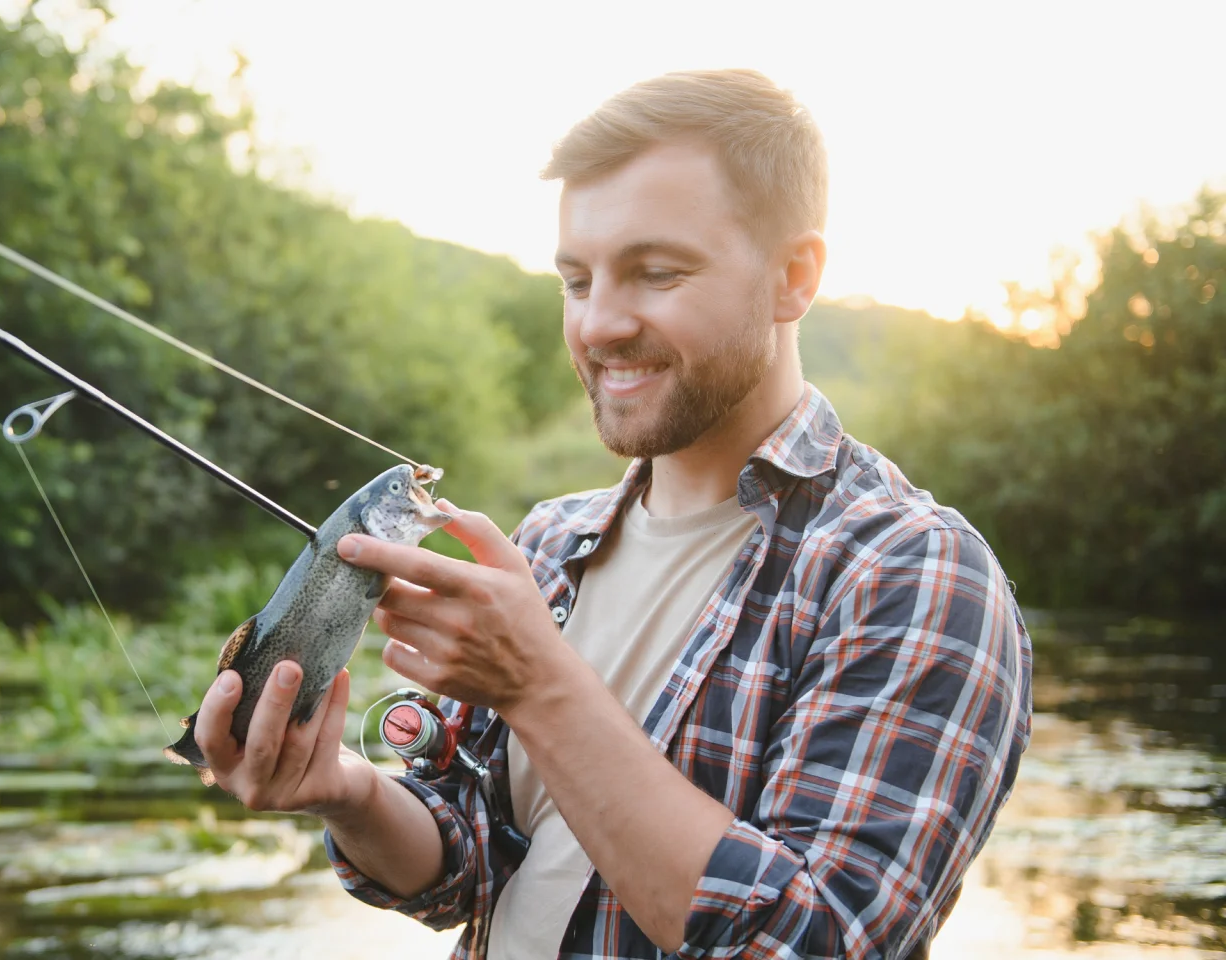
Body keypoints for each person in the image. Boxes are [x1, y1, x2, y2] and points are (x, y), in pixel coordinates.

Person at [185, 69, 1031, 959]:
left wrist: (538, 684)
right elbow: (473, 858)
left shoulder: (913, 575)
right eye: (576, 281)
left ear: (793, 277)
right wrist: (347, 794)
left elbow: (812, 944)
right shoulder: (551, 541)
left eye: (655, 273)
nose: (598, 326)